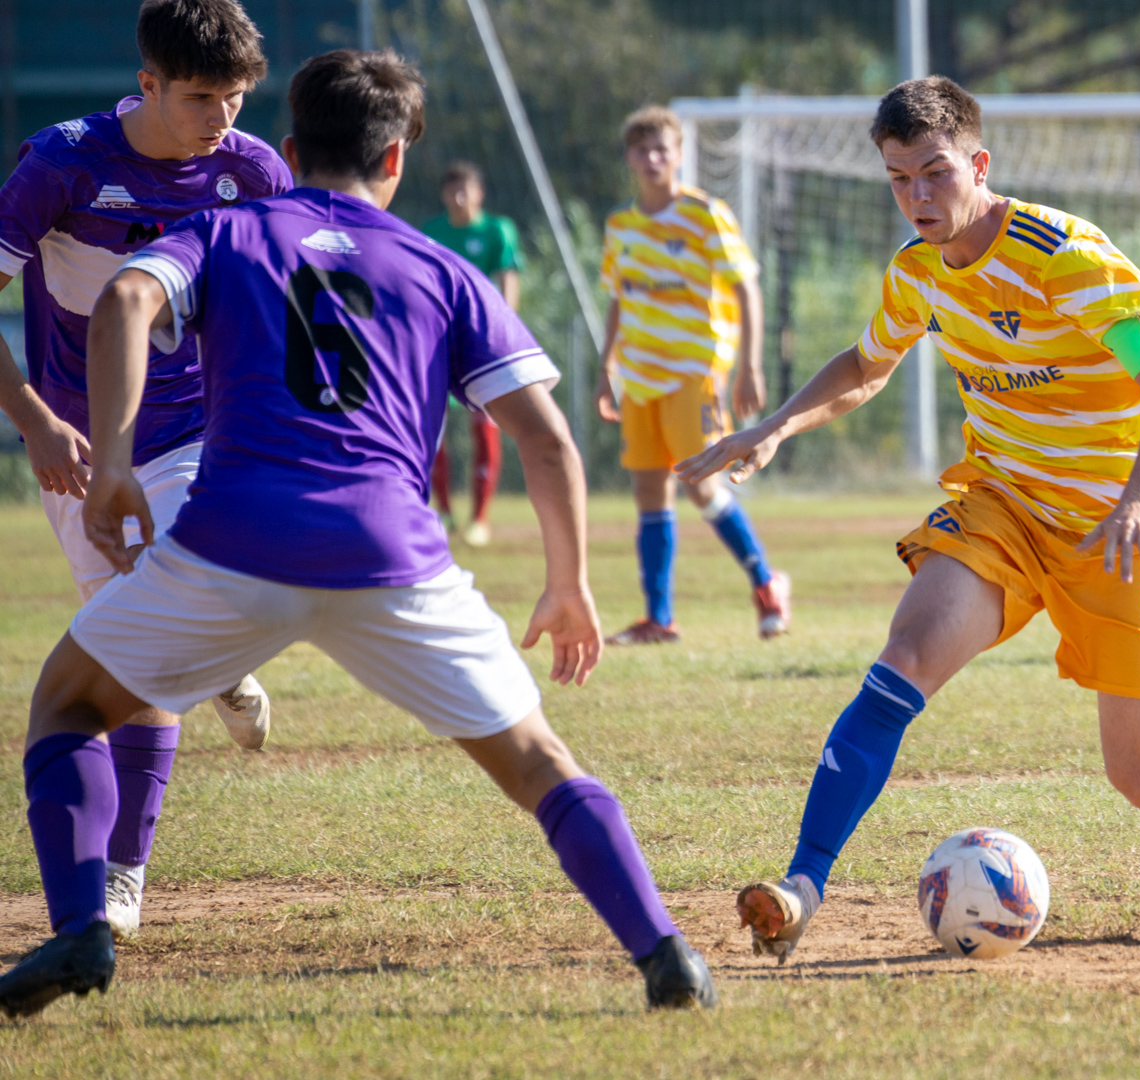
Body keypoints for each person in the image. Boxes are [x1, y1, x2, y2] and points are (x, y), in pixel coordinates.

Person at [0, 47, 715, 1019]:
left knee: (66, 703)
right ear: (396, 161)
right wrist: (569, 583)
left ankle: (84, 925)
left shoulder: (225, 230)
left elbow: (126, 299)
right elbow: (548, 442)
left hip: (233, 542)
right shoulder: (443, 269)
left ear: (290, 152)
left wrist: (115, 461)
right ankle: (668, 956)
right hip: (392, 556)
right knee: (541, 762)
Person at [679, 77, 1140, 963]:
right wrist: (775, 426)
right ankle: (801, 888)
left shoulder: (1064, 260)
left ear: (979, 163)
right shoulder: (918, 274)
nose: (917, 196)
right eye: (898, 178)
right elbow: (866, 365)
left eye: (935, 172)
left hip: (1119, 525)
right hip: (1003, 508)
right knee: (903, 661)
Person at [0, 0, 291, 940]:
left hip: (201, 429)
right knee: (134, 651)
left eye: (236, 98)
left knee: (160, 604)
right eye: (201, 97)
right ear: (148, 86)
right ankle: (216, 666)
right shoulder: (62, 164)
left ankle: (124, 873)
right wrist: (37, 423)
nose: (222, 119)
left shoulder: (254, 171)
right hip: (81, 447)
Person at [596, 105, 789, 645]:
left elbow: (746, 287)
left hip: (694, 374)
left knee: (703, 489)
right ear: (630, 158)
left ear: (679, 155)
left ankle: (767, 583)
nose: (652, 159)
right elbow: (618, 298)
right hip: (639, 379)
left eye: (662, 149)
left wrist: (749, 364)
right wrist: (606, 367)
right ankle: (659, 618)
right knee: (649, 494)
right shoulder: (621, 226)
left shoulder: (706, 215)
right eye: (642, 150)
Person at [423, 160, 522, 547]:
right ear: (444, 195)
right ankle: (444, 511)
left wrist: (504, 331)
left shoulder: (497, 230)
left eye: (466, 189)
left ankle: (480, 518)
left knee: (484, 425)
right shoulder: (432, 232)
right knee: (433, 427)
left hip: (482, 341)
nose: (460, 197)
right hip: (440, 342)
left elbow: (508, 278)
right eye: (453, 189)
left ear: (480, 193)